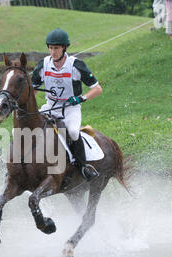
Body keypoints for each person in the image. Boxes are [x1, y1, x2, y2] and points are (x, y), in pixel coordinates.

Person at [32, 28, 103, 181]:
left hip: (71, 109)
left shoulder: (77, 66)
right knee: (29, 128)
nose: (53, 52)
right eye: (50, 48)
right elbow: (34, 90)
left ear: (64, 48)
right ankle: (23, 166)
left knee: (72, 132)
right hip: (50, 106)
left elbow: (97, 89)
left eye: (56, 48)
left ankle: (83, 167)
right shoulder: (42, 65)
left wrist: (81, 98)